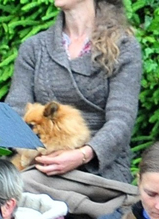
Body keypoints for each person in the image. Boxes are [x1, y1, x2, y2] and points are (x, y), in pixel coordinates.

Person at [7, 0, 140, 186]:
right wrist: (36, 151)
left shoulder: (124, 47)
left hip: (100, 168)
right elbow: (15, 110)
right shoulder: (34, 48)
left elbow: (121, 120)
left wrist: (83, 154)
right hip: (38, 162)